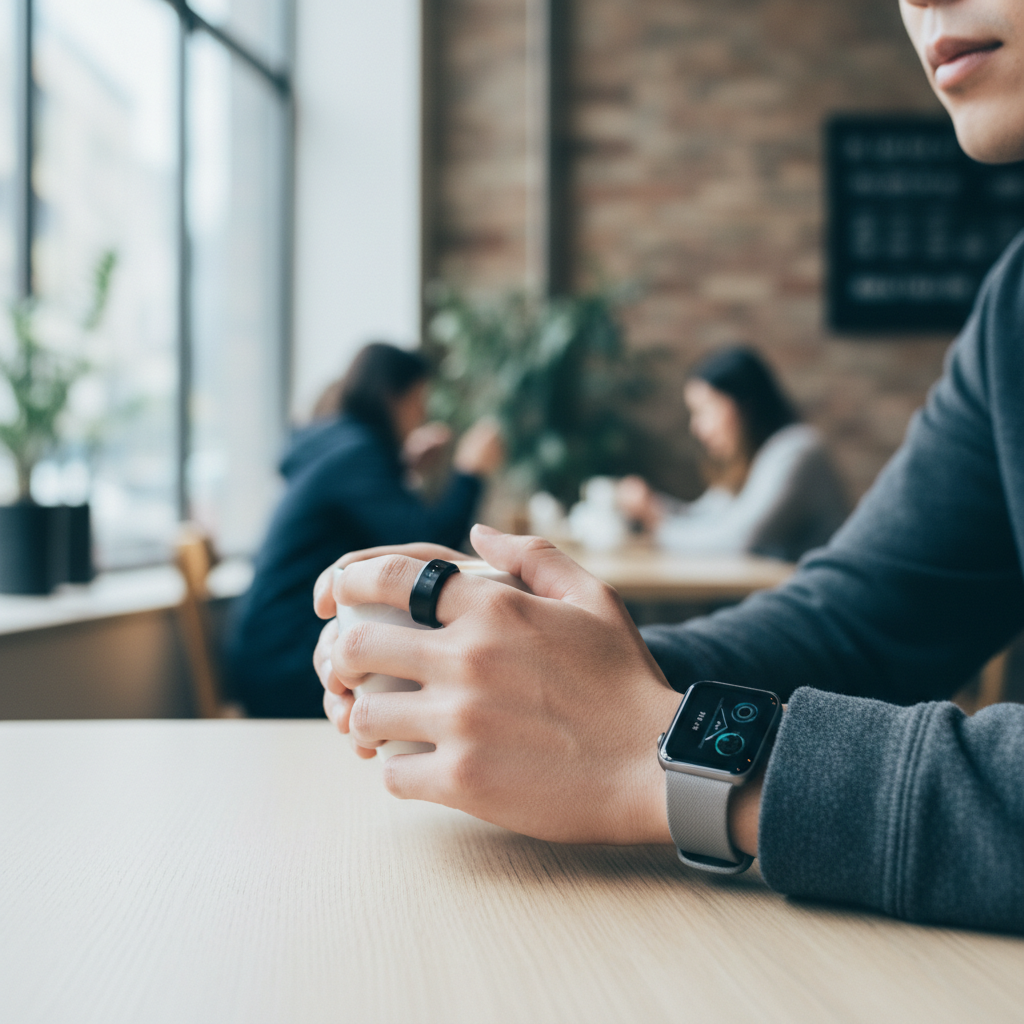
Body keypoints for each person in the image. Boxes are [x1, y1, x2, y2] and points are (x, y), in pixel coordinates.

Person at [309, 0, 1024, 933]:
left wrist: (668, 753)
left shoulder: (797, 451)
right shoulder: (1013, 309)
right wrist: (530, 667)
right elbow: (862, 624)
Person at [226, 342, 502, 717]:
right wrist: (470, 472)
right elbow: (429, 546)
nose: (421, 417)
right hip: (288, 665)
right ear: (393, 398)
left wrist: (403, 468)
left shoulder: (337, 444)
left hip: (262, 652)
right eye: (418, 402)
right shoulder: (359, 454)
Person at [617, 346, 848, 561]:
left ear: (744, 404)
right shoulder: (751, 458)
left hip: (816, 601)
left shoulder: (797, 451)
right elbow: (707, 517)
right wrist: (653, 505)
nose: (696, 428)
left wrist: (656, 522)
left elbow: (737, 541)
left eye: (705, 410)